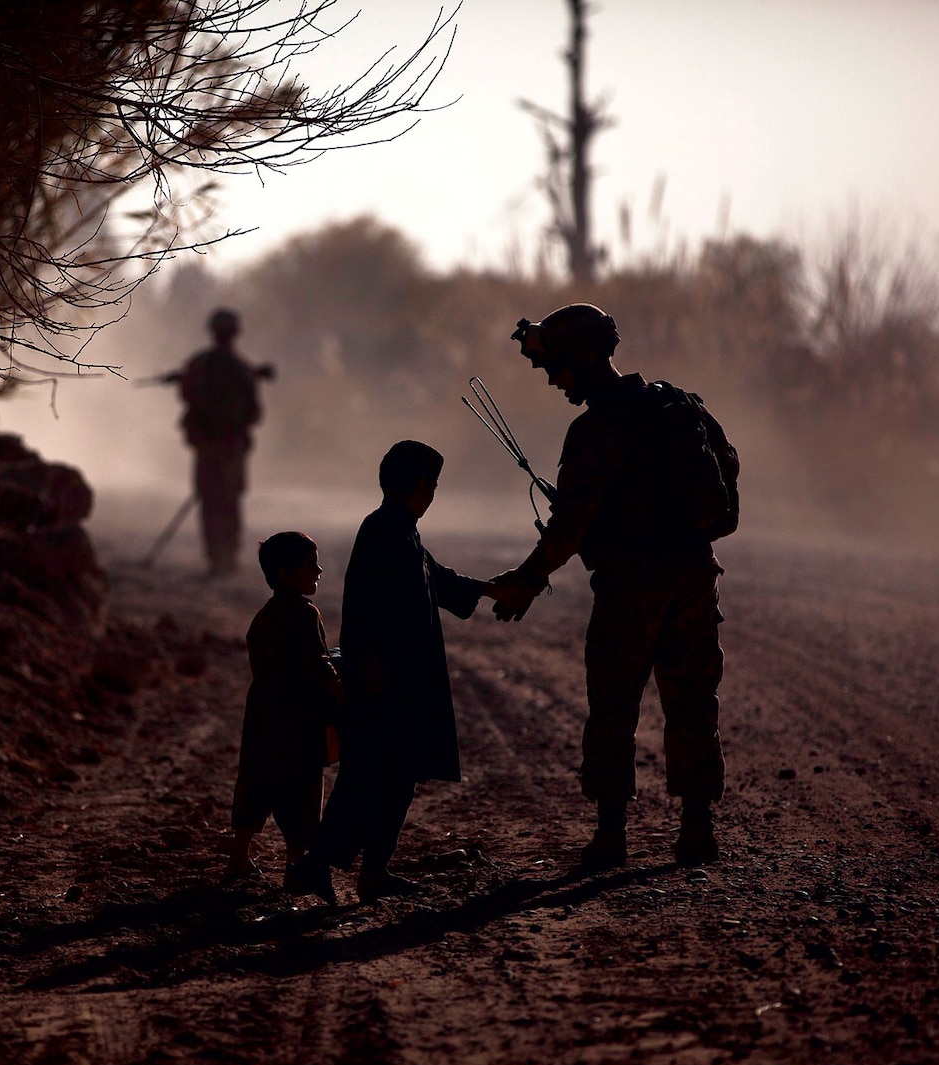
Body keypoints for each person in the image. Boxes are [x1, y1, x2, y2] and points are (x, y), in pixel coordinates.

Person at [489, 304, 740, 871]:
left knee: (613, 704)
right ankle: (697, 831)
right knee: (693, 701)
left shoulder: (596, 429)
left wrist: (528, 581)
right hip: (695, 577)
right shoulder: (680, 408)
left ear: (579, 358)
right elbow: (726, 490)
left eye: (556, 366)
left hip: (630, 585)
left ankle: (610, 838)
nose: (552, 378)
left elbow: (570, 526)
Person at [288, 441, 525, 904]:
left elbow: (437, 578)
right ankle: (317, 867)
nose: (433, 494)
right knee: (370, 776)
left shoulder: (399, 530)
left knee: (394, 777)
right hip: (383, 680)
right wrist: (372, 666)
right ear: (419, 485)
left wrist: (494, 589)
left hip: (398, 678)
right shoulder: (385, 531)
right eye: (432, 485)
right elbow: (372, 608)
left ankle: (371, 873)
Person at [223, 532, 341, 887]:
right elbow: (318, 666)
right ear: (287, 573)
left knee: (255, 787)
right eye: (311, 564)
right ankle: (295, 866)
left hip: (263, 717)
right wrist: (340, 692)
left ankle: (238, 857)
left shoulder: (263, 617)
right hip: (298, 721)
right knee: (301, 793)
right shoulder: (305, 615)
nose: (319, 570)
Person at [164, 308, 272, 577]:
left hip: (209, 445)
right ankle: (228, 557)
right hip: (232, 446)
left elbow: (188, 396)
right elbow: (255, 412)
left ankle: (217, 557)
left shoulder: (201, 363)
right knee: (229, 499)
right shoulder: (243, 366)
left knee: (211, 499)